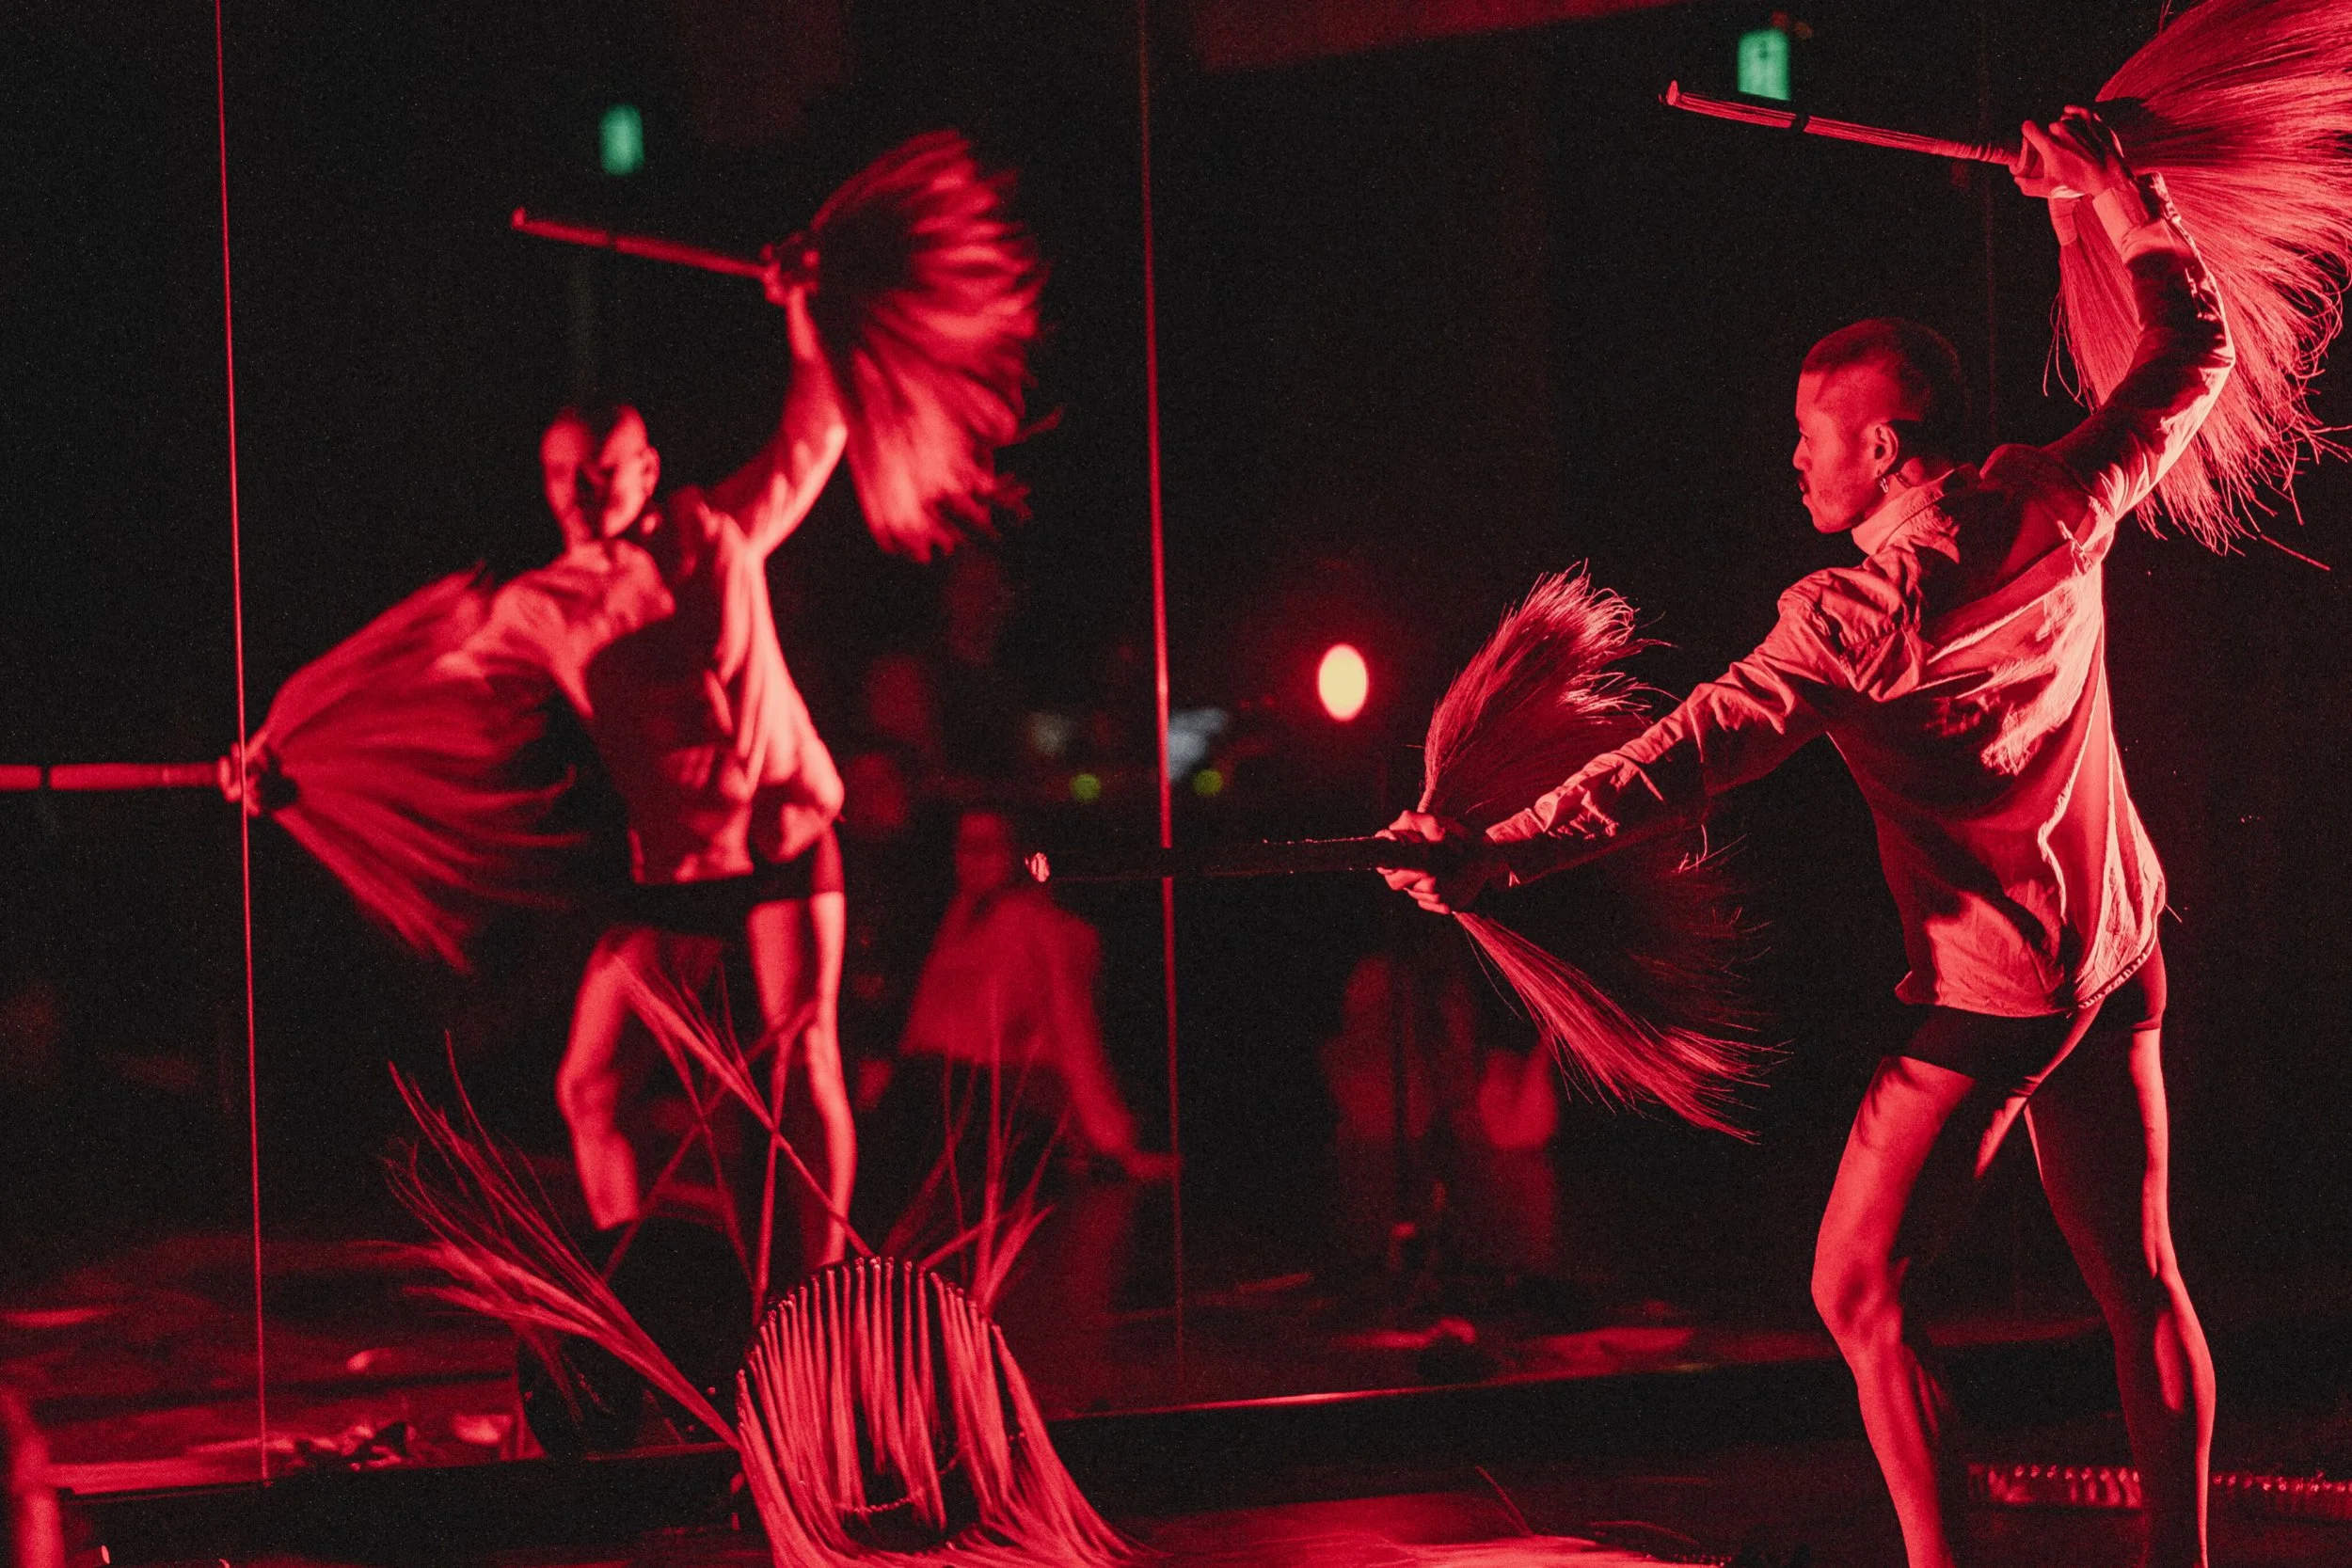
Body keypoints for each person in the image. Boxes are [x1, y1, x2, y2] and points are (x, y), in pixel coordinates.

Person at [1383, 111, 2230, 1568]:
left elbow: (1685, 755)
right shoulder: (2056, 494)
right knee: (2139, 1277)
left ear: (1882, 446)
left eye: (1808, 439)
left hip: (1998, 993)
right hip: (2120, 944)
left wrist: (1498, 848)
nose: (1792, 463)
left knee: (1855, 1289)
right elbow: (2192, 354)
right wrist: (2118, 199)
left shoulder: (1858, 618)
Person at [440, 263, 858, 1272]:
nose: (577, 493)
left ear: (644, 466)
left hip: (788, 840)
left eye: (598, 470)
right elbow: (432, 693)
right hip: (676, 878)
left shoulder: (715, 531)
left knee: (800, 1061)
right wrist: (290, 754)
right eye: (557, 475)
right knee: (589, 1087)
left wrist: (805, 318)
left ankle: (827, 1287)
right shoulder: (540, 608)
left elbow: (817, 433)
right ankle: (638, 1292)